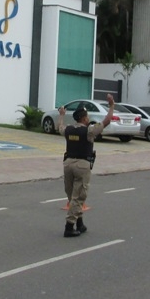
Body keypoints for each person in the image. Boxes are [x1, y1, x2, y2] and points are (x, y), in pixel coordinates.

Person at [57, 94, 114, 237]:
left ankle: (80, 223)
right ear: (84, 119)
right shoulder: (89, 131)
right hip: (82, 165)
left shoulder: (69, 129)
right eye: (87, 117)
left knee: (72, 196)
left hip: (68, 164)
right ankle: (69, 226)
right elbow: (107, 121)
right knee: (79, 197)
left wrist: (62, 115)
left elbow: (60, 127)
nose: (88, 119)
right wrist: (112, 106)